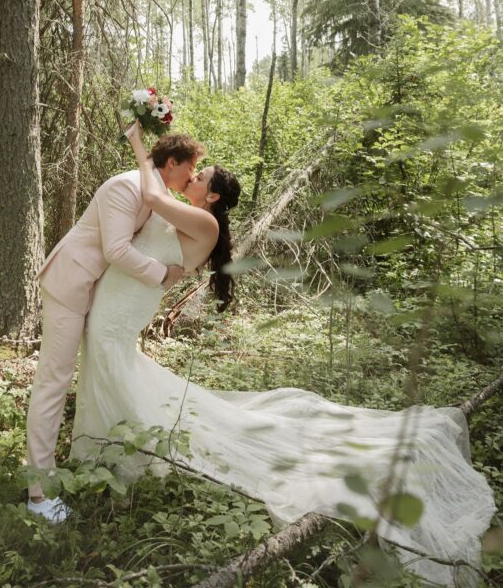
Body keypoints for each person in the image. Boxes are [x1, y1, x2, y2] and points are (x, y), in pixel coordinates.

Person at [71, 123, 495, 587]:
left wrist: (139, 143)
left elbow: (153, 200)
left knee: (125, 372)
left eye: (199, 177)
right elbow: (154, 216)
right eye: (192, 173)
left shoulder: (205, 222)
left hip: (127, 307)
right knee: (124, 371)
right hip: (127, 303)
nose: (191, 178)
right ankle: (109, 448)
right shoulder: (192, 214)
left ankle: (113, 456)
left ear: (212, 196)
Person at [26, 130, 205, 521]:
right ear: (171, 163)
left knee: (67, 382)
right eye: (190, 169)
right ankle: (38, 495)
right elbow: (117, 250)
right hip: (69, 283)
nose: (192, 177)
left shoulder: (157, 192)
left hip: (91, 293)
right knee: (53, 383)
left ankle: (74, 461)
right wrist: (164, 275)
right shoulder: (126, 187)